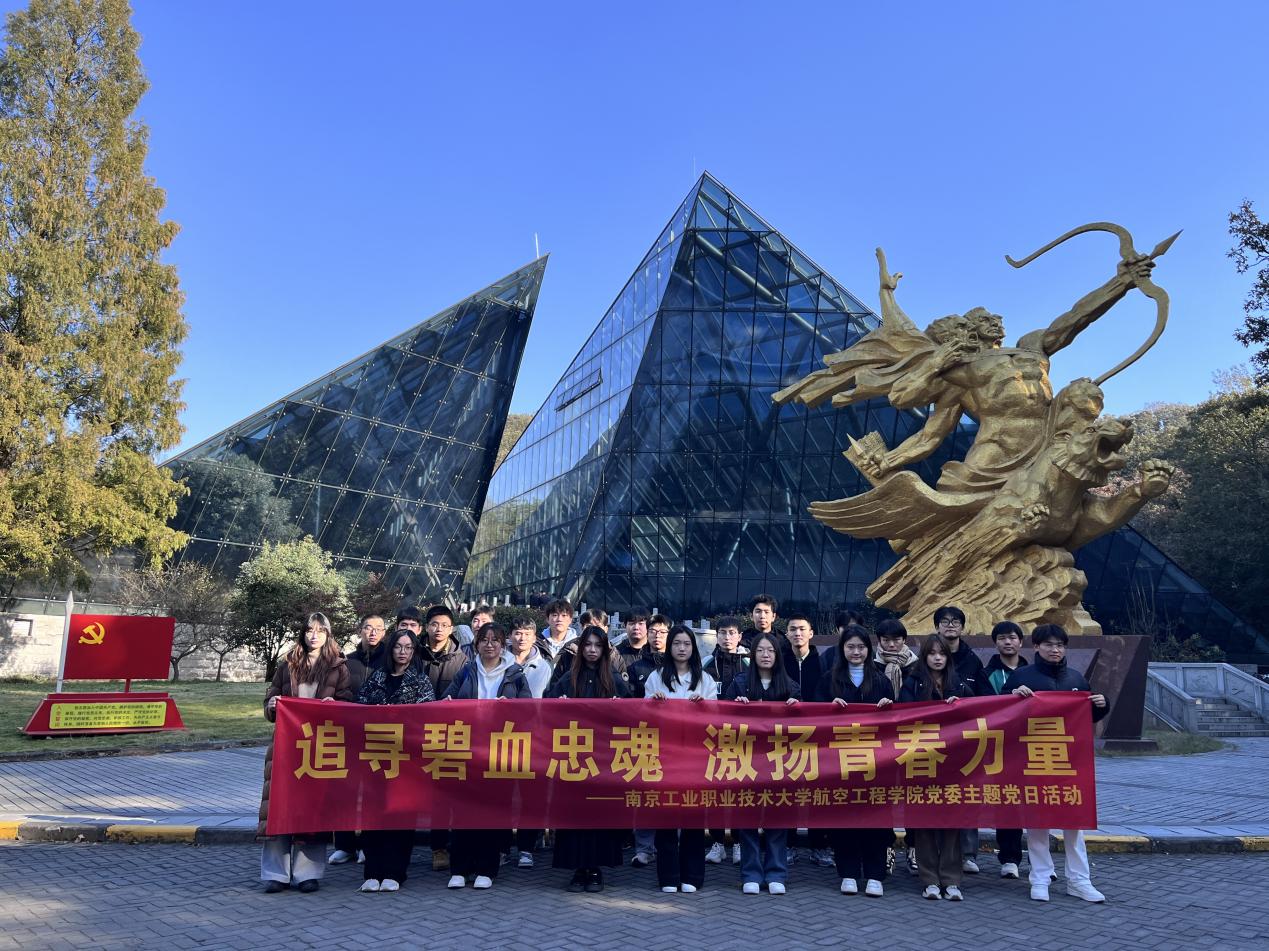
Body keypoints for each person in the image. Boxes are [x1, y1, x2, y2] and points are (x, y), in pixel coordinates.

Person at [1004, 623, 1110, 903]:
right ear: (1036, 647)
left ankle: (1079, 880)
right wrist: (1012, 697)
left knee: (1074, 824)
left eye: (1060, 645)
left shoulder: (1076, 678)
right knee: (1037, 823)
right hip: (1034, 761)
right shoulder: (1021, 677)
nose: (1055, 650)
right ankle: (1040, 878)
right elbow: (1000, 715)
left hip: (1070, 763)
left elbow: (1086, 718)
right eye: (1049, 645)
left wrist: (1102, 705)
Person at [258, 612, 353, 894]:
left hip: (319, 746)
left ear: (328, 635)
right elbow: (270, 699)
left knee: (313, 810)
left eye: (320, 630)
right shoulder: (287, 664)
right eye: (310, 630)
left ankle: (307, 873)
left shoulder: (339, 667)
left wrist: (335, 704)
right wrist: (272, 706)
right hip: (287, 745)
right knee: (279, 807)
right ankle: (276, 874)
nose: (314, 635)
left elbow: (348, 703)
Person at [441, 622, 531, 890]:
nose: (489, 645)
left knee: (491, 812)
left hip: (498, 752)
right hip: (467, 751)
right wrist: (448, 704)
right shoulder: (466, 671)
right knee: (463, 810)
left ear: (503, 645)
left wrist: (511, 708)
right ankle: (460, 868)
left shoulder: (515, 674)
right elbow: (446, 701)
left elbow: (529, 710)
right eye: (484, 639)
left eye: (495, 640)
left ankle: (486, 869)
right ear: (476, 643)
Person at [549, 626, 631, 892]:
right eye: (588, 645)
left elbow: (633, 709)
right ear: (581, 648)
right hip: (574, 757)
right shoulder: (569, 676)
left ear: (604, 649)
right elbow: (547, 702)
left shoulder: (614, 676)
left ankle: (595, 868)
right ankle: (577, 868)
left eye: (598, 645)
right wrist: (559, 703)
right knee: (574, 814)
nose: (592, 650)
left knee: (599, 814)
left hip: (603, 759)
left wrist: (620, 706)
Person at [355, 628, 436, 893]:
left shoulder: (420, 681)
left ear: (414, 652)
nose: (403, 652)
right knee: (373, 816)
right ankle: (372, 871)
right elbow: (358, 708)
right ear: (391, 649)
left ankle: (395, 872)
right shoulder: (377, 677)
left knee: (401, 817)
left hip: (406, 761)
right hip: (376, 758)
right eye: (398, 647)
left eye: (408, 648)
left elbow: (428, 718)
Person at [820, 625, 895, 897]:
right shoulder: (828, 680)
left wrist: (888, 707)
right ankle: (848, 873)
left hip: (875, 762)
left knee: (876, 817)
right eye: (850, 647)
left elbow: (898, 721)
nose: (856, 652)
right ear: (842, 649)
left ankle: (875, 874)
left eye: (861, 647)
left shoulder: (881, 680)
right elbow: (812, 718)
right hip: (839, 762)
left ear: (869, 649)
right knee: (844, 817)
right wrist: (829, 708)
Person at [900, 633, 974, 900]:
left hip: (953, 763)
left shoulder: (959, 683)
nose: (937, 658)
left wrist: (960, 706)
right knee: (924, 822)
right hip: (921, 760)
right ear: (924, 657)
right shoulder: (913, 682)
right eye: (932, 653)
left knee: (953, 822)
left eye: (942, 653)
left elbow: (979, 713)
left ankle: (951, 880)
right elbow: (903, 715)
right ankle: (929, 879)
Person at [724, 632, 799, 895]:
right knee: (747, 818)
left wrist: (797, 708)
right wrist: (735, 706)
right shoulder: (740, 683)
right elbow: (723, 720)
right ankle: (751, 873)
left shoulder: (790, 686)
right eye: (760, 651)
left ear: (778, 655)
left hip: (779, 761)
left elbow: (804, 725)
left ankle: (776, 872)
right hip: (747, 760)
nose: (766, 655)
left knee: (777, 818)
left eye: (771, 651)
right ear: (752, 654)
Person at [645, 625, 718, 893]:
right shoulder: (656, 677)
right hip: (665, 755)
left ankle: (692, 876)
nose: (682, 648)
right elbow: (643, 716)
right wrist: (654, 702)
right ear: (670, 647)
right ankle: (668, 876)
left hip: (695, 757)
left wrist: (703, 706)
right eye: (677, 643)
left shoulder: (705, 680)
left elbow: (716, 719)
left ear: (693, 648)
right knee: (665, 818)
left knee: (693, 818)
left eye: (687, 644)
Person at [415, 604, 471, 871]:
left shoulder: (463, 660)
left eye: (445, 625)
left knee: (448, 793)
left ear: (452, 629)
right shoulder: (413, 654)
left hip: (450, 735)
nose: (439, 630)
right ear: (426, 627)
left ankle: (446, 847)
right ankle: (423, 846)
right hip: (415, 733)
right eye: (434, 624)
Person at [932, 605, 985, 874]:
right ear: (936, 627)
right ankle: (932, 854)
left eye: (955, 621)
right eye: (945, 621)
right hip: (931, 743)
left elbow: (988, 698)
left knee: (965, 795)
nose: (950, 625)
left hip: (965, 741)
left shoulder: (972, 660)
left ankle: (967, 854)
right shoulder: (925, 660)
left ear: (963, 627)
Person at [330, 613, 387, 865]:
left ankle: (368, 843)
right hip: (350, 733)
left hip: (380, 735)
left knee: (374, 791)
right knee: (346, 789)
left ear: (384, 632)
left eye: (378, 628)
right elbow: (339, 692)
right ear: (360, 630)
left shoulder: (390, 661)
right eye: (368, 627)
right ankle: (345, 845)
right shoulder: (347, 662)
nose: (372, 632)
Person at [975, 620, 1029, 879]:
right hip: (992, 745)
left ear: (1021, 641)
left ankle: (1015, 859)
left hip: (1026, 746)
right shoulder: (986, 674)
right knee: (987, 798)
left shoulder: (1033, 672)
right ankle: (971, 854)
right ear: (995, 643)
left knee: (1019, 801)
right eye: (1002, 638)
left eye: (1012, 637)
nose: (1008, 642)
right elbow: (982, 705)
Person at [870, 618, 919, 876]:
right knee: (883, 795)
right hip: (879, 742)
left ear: (904, 641)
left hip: (912, 739)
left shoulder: (917, 666)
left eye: (896, 640)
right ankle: (886, 846)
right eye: (886, 640)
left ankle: (914, 846)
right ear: (879, 641)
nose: (891, 645)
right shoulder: (871, 666)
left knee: (914, 795)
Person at [506, 617, 552, 868]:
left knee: (531, 796)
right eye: (517, 632)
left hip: (535, 738)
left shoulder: (545, 667)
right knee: (502, 794)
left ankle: (526, 848)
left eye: (526, 633)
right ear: (510, 636)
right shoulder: (499, 662)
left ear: (535, 637)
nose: (521, 637)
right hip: (501, 737)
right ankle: (502, 847)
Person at [703, 616, 748, 865]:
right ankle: (718, 843)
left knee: (740, 794)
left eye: (732, 633)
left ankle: (739, 843)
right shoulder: (706, 664)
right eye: (723, 633)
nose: (727, 637)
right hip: (714, 739)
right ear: (716, 636)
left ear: (739, 636)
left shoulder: (749, 663)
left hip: (743, 740)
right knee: (716, 794)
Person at [628, 615, 670, 869]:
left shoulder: (681, 667)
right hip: (647, 739)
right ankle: (644, 848)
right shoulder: (636, 667)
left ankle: (668, 845)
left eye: (663, 632)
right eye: (653, 631)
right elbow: (631, 704)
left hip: (675, 741)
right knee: (647, 796)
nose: (657, 636)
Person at [537, 598, 578, 664]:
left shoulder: (578, 644)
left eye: (564, 615)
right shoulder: (537, 643)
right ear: (547, 619)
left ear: (570, 620)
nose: (559, 619)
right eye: (555, 615)